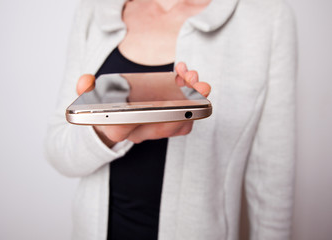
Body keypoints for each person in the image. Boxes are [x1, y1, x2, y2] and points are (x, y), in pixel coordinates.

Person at [45, 0, 297, 239]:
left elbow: (272, 181)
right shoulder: (96, 9)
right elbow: (57, 150)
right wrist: (109, 132)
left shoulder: (266, 17)